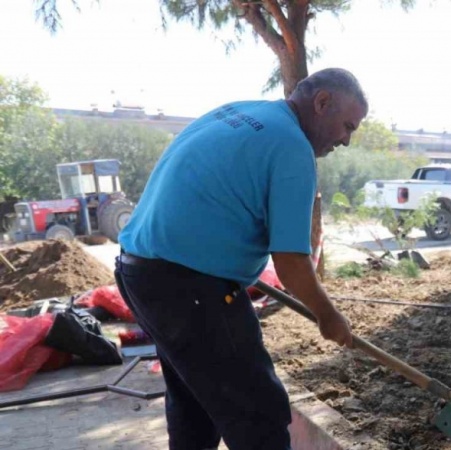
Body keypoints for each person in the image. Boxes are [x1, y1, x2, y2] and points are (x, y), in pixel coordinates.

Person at [114, 68, 367, 450]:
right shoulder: (292, 147)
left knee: (195, 405)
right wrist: (328, 315)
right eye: (347, 126)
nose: (346, 141)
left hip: (140, 272)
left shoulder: (239, 112)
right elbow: (292, 263)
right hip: (190, 289)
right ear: (322, 103)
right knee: (259, 416)